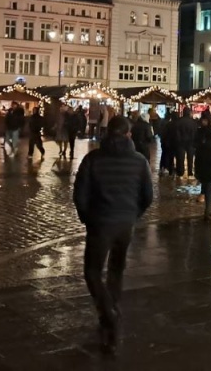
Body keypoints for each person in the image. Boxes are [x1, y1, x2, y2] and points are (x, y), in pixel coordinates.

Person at [73, 116, 153, 354]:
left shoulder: (93, 159)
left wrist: (89, 218)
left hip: (100, 223)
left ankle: (107, 312)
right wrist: (133, 214)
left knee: (92, 271)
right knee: (117, 268)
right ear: (128, 134)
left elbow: (80, 194)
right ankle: (113, 308)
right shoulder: (139, 161)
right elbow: (147, 196)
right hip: (125, 223)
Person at [172, 108, 198, 180]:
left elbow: (176, 133)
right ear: (189, 113)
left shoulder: (179, 121)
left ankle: (180, 172)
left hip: (181, 143)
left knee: (180, 158)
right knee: (190, 158)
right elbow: (195, 132)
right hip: (191, 142)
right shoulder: (193, 122)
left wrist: (178, 140)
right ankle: (190, 172)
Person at [158, 112, 177, 176]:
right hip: (172, 143)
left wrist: (162, 140)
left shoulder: (166, 123)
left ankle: (163, 167)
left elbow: (163, 133)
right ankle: (169, 169)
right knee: (170, 156)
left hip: (165, 142)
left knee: (164, 154)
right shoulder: (174, 124)